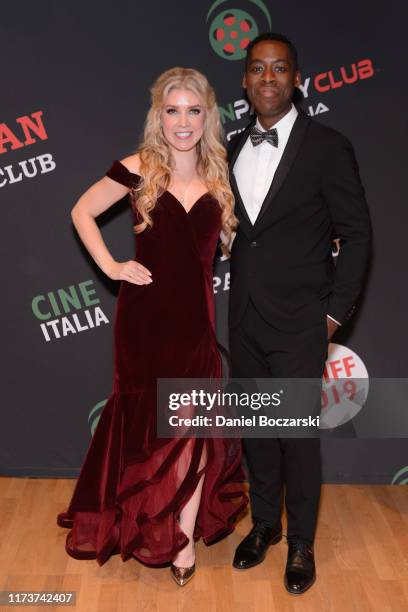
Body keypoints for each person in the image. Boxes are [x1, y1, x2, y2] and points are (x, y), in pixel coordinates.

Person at [57, 67, 247, 586]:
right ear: (157, 115)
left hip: (195, 323)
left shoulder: (220, 173)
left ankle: (182, 539)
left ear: (207, 115)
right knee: (147, 431)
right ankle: (140, 520)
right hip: (143, 323)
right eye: (171, 110)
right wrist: (113, 267)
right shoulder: (140, 167)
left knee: (196, 430)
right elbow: (82, 211)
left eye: (192, 110)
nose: (182, 121)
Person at [228, 33, 371, 594]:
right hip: (243, 317)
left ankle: (301, 543)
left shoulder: (327, 145)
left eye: (279, 69)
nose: (268, 78)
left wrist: (333, 318)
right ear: (244, 82)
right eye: (258, 69)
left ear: (296, 80)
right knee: (259, 432)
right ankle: (263, 525)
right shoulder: (232, 146)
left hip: (300, 320)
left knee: (295, 435)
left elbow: (357, 236)